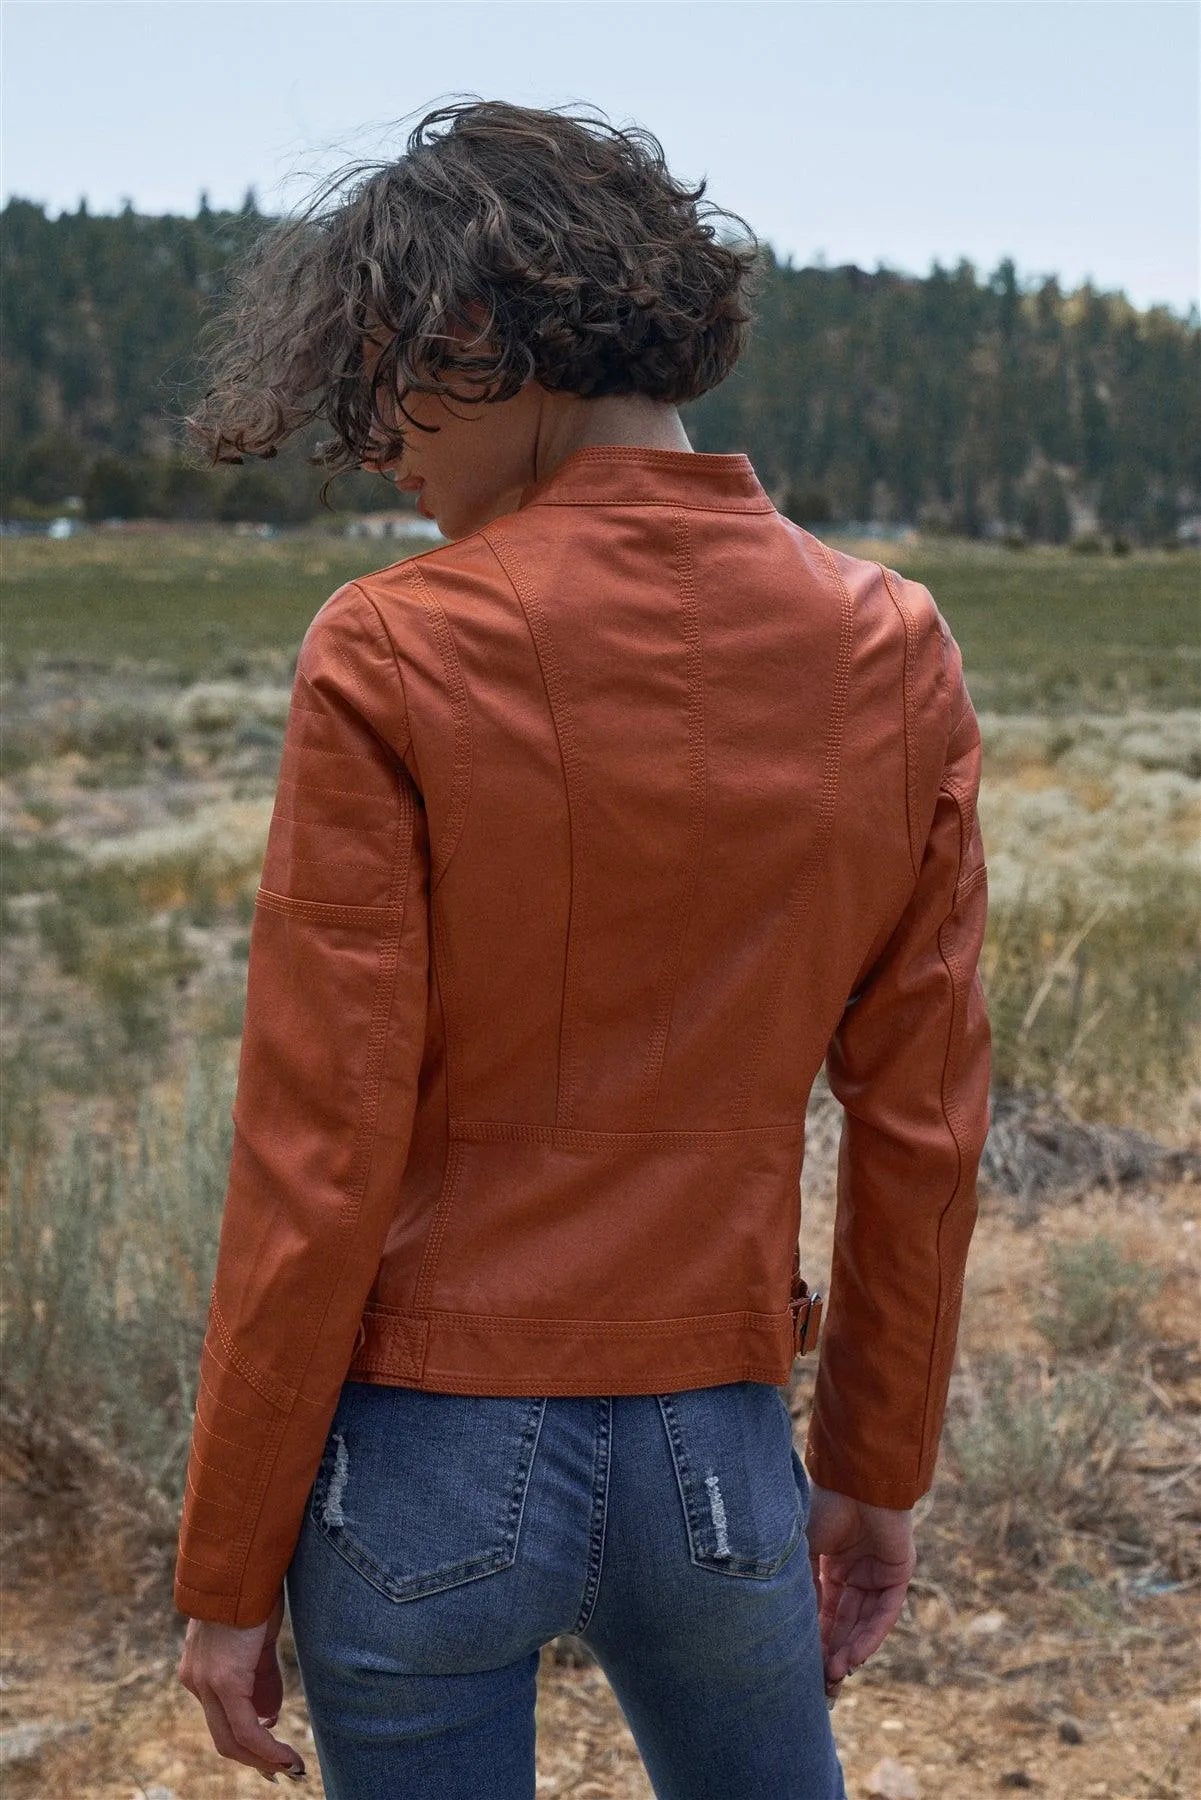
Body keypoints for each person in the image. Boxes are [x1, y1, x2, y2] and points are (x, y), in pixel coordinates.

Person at [174, 97, 990, 1797]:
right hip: (721, 1462)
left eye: (384, 375)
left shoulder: (393, 647)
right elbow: (922, 1125)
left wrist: (228, 1565)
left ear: (484, 333)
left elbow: (319, 1152)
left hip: (422, 1470)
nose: (377, 445)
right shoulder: (892, 648)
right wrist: (874, 1469)